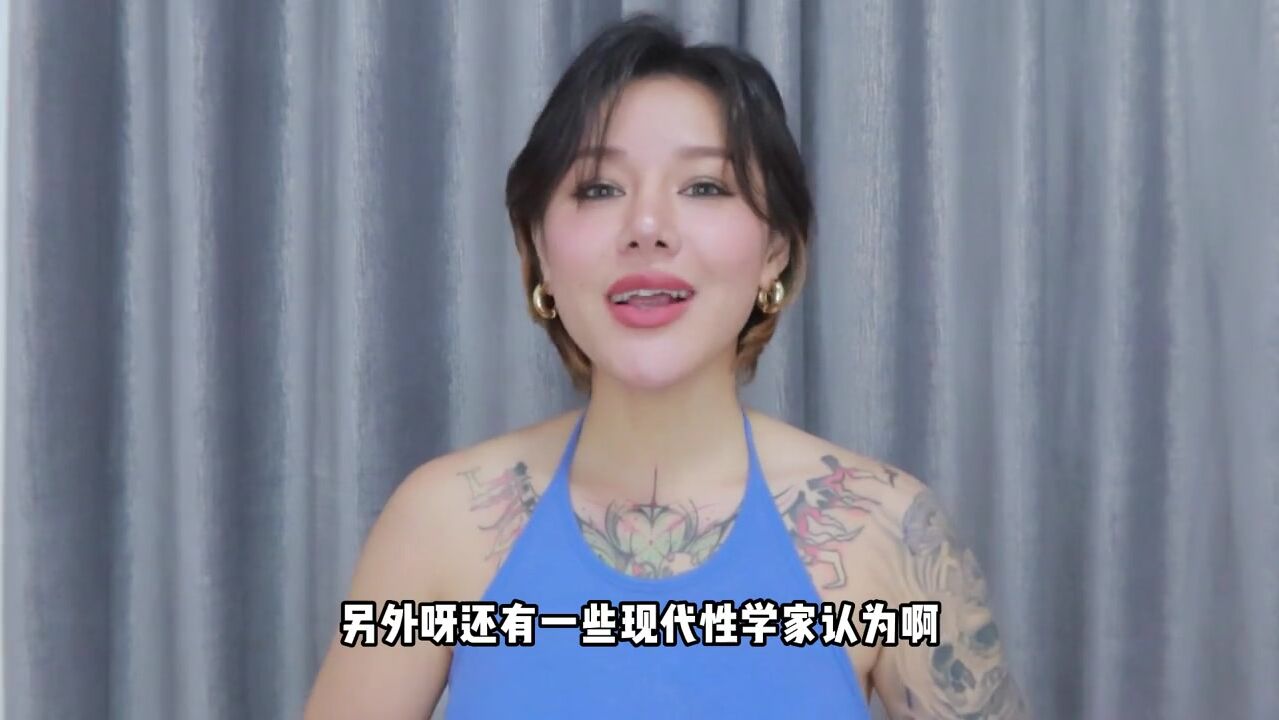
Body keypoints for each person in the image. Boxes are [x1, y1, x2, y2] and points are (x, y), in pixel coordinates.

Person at [306, 13, 1027, 720]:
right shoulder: (440, 521)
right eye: (598, 188)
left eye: (704, 187)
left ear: (775, 252)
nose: (647, 227)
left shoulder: (886, 531)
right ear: (539, 252)